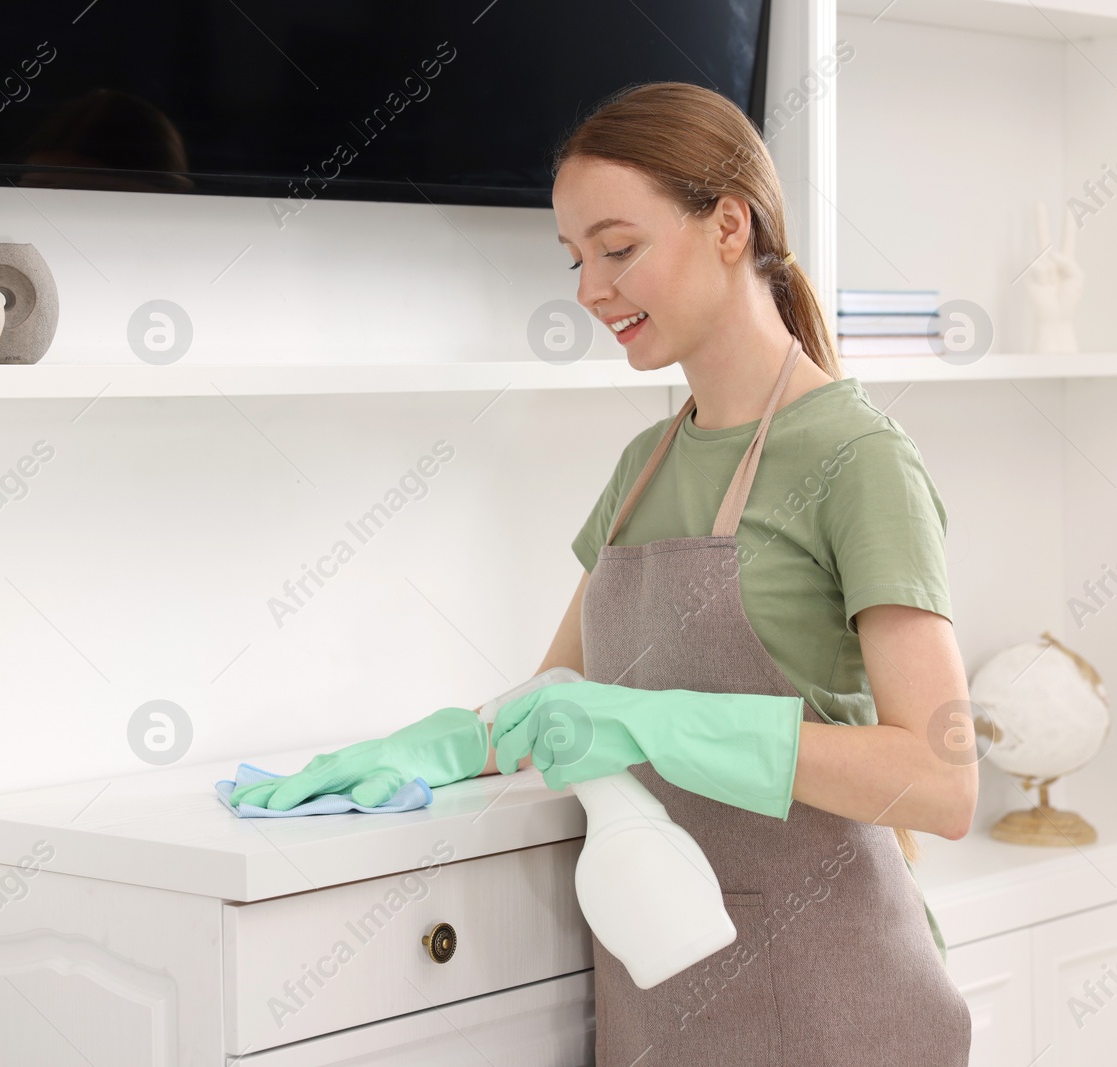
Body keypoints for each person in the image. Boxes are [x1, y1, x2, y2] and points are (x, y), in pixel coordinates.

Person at [231, 80, 974, 1065]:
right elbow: (557, 698)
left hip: (833, 1001)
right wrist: (429, 750)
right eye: (576, 258)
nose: (589, 290)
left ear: (726, 225)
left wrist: (662, 724)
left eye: (618, 249)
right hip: (662, 1002)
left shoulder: (857, 458)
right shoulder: (644, 467)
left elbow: (940, 777)